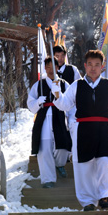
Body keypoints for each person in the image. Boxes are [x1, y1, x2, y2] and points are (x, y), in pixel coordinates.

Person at [52, 49, 108, 211]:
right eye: (90, 64)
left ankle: (104, 195)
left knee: (104, 162)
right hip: (83, 129)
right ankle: (87, 201)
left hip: (104, 128)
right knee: (84, 166)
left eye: (97, 65)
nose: (93, 68)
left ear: (102, 67)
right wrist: (57, 94)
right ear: (85, 65)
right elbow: (64, 105)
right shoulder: (77, 85)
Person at [27, 56, 72, 188]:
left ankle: (59, 165)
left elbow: (70, 103)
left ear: (58, 67)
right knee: (44, 148)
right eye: (48, 67)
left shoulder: (64, 84)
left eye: (54, 67)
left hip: (59, 117)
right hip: (44, 119)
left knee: (63, 146)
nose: (51, 70)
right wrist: (37, 102)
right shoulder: (39, 85)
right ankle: (48, 179)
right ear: (45, 68)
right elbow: (30, 104)